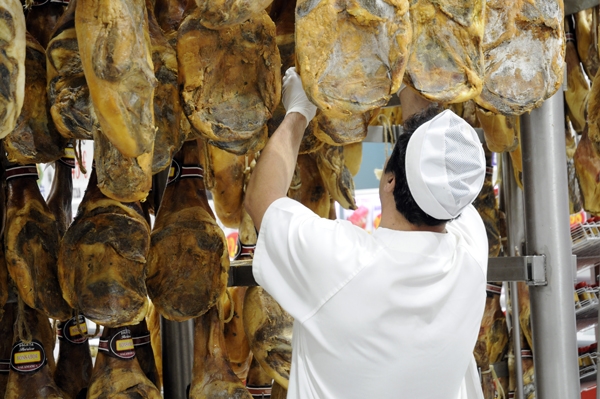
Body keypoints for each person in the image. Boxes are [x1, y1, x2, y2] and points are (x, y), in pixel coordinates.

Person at [244, 67, 488, 399]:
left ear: (389, 181)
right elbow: (443, 171)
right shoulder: (471, 255)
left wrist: (299, 112)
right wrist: (405, 80)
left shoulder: (344, 264)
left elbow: (262, 200)